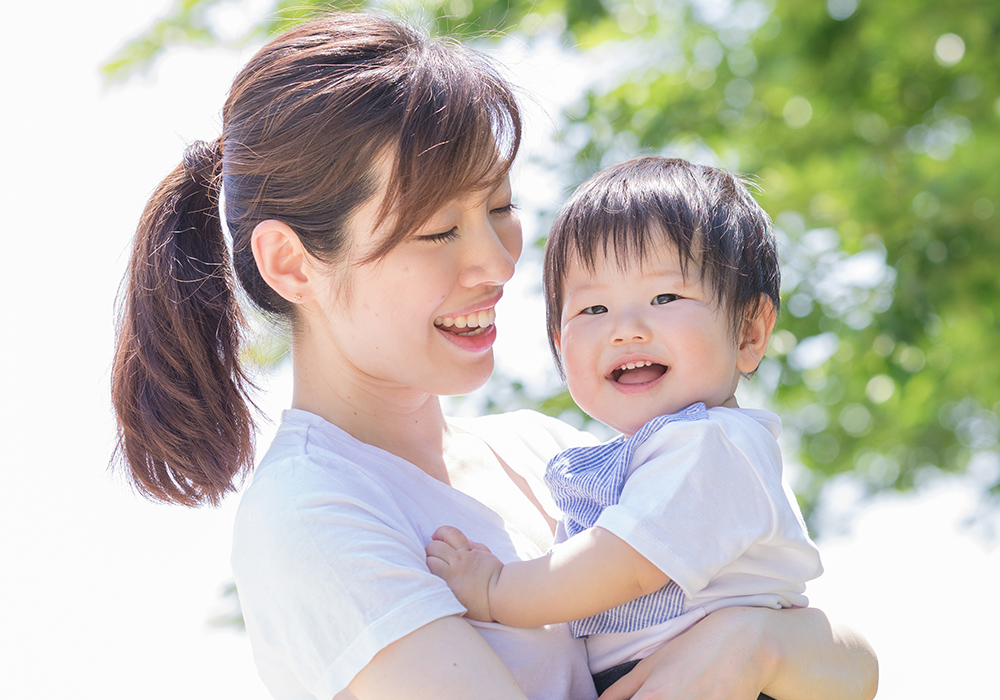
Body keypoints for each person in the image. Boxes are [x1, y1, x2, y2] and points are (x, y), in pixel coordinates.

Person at [110, 11, 878, 700]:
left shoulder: (548, 452)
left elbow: (851, 664)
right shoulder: (315, 512)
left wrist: (753, 646)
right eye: (438, 231)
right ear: (291, 263)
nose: (497, 261)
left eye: (501, 209)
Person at [425, 156, 825, 696]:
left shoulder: (711, 445)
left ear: (750, 332)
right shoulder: (651, 452)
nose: (626, 330)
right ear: (561, 347)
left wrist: (497, 589)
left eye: (665, 298)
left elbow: (624, 565)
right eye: (593, 309)